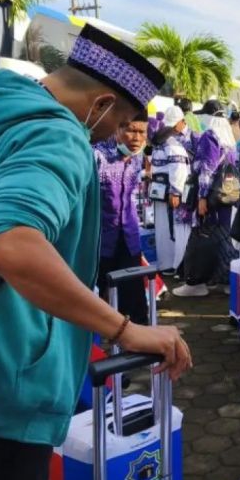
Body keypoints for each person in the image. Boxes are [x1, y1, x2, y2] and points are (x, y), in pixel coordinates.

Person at [0, 23, 191, 480]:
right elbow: (9, 242)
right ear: (102, 103)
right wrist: (125, 329)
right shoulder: (58, 136)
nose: (115, 133)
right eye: (118, 121)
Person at [173, 117, 239, 297]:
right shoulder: (229, 144)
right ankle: (227, 281)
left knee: (200, 239)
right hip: (223, 199)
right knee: (222, 239)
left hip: (210, 201)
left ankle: (196, 282)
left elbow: (205, 171)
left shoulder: (209, 138)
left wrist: (202, 197)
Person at [95, 112, 150, 325]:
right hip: (98, 242)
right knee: (94, 300)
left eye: (141, 132)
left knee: (135, 302)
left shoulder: (136, 160)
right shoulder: (97, 157)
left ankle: (140, 351)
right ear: (117, 129)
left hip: (129, 240)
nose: (136, 138)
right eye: (131, 130)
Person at [151, 105, 193, 274]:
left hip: (161, 192)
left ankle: (167, 263)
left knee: (165, 229)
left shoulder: (159, 141)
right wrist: (175, 191)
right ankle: (174, 264)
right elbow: (179, 169)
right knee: (173, 229)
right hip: (170, 194)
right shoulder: (172, 142)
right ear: (179, 123)